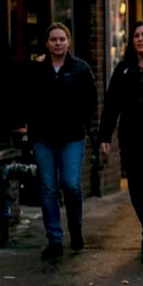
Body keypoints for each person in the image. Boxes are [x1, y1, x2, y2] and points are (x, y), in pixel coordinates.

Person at [19, 23, 97, 259]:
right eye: (53, 39)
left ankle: (75, 229)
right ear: (47, 43)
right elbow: (26, 96)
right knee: (48, 188)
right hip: (43, 137)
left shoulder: (80, 69)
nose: (58, 43)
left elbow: (91, 102)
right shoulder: (37, 70)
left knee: (71, 184)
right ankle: (54, 238)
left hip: (72, 136)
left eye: (62, 39)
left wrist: (86, 127)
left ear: (68, 41)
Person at [98, 21, 143, 264]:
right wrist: (104, 136)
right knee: (137, 191)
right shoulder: (123, 69)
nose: (140, 39)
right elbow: (111, 104)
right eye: (136, 35)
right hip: (130, 139)